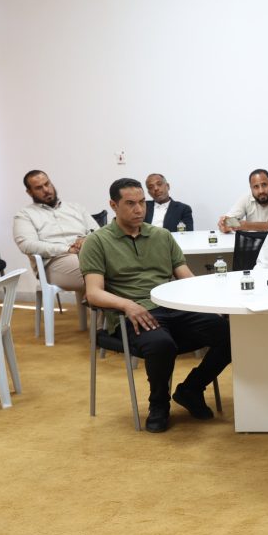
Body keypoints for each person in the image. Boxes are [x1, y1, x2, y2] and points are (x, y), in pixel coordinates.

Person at [80, 178, 232, 433]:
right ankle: (158, 404)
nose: (139, 209)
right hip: (131, 314)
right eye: (130, 204)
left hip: (174, 308)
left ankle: (191, 389)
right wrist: (128, 305)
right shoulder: (97, 241)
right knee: (161, 344)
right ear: (113, 205)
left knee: (231, 334)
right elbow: (93, 293)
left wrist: (212, 304)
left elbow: (186, 278)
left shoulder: (162, 236)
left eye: (142, 203)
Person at [13, 170, 101, 302]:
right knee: (100, 274)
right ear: (29, 192)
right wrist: (66, 249)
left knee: (111, 268)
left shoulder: (76, 208)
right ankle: (106, 322)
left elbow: (97, 231)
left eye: (47, 184)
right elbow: (26, 245)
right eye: (39, 188)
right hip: (54, 262)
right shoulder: (24, 215)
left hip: (86, 254)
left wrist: (86, 239)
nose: (46, 190)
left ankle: (106, 321)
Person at [217, 168, 268, 233]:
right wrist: (224, 225)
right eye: (256, 187)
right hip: (253, 247)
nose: (261, 191)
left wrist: (247, 226)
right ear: (251, 188)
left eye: (264, 185)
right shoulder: (246, 198)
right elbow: (228, 221)